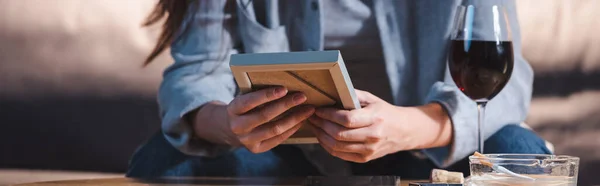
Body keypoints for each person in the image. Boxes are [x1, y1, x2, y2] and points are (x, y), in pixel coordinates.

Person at [126, 0, 551, 179]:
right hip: (283, 153)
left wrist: (414, 126)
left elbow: (504, 79)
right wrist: (229, 124)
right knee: (164, 163)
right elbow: (198, 72)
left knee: (521, 154)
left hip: (425, 152)